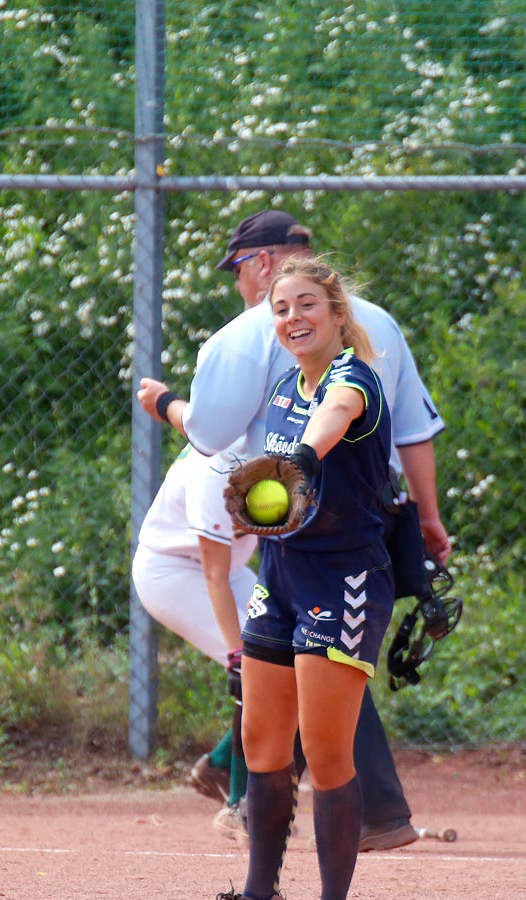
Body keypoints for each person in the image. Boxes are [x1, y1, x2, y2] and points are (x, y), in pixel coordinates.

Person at [137, 208, 449, 852]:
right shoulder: (374, 323)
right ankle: (276, 820)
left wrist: (166, 404)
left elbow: (212, 436)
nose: (284, 316)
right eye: (284, 308)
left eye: (241, 270)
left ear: (261, 265)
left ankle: (332, 818)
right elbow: (413, 432)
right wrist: (426, 517)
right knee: (299, 669)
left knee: (319, 670)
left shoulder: (246, 343)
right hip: (346, 521)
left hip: (309, 534)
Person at [185, 254, 394, 900]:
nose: (292, 318)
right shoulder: (281, 388)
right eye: (280, 308)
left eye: (307, 304)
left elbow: (330, 424)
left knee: (328, 753)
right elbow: (262, 490)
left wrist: (300, 460)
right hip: (283, 577)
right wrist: (248, 512)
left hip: (345, 581)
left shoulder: (350, 381)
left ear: (338, 316)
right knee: (261, 745)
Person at [130, 444, 254, 837]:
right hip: (174, 571)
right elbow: (213, 576)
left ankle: (219, 763)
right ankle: (239, 806)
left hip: (229, 567)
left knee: (295, 656)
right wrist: (238, 655)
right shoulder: (217, 466)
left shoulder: (274, 431)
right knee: (261, 666)